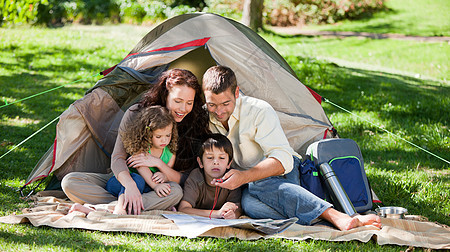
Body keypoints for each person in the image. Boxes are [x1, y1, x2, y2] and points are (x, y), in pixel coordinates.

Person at [201, 65, 381, 231]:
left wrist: (244, 176)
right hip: (249, 184)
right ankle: (317, 214)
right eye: (212, 105)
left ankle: (335, 216)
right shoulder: (205, 119)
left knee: (257, 184)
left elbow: (283, 161)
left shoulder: (259, 110)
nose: (219, 111)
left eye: (225, 104)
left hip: (282, 172)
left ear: (237, 93)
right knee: (249, 206)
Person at [62, 69, 210, 215]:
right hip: (129, 177)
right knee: (70, 182)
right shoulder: (137, 113)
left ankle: (112, 207)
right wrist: (130, 186)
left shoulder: (194, 124)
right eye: (178, 101)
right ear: (165, 95)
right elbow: (118, 158)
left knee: (176, 193)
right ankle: (133, 203)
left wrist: (158, 164)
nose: (183, 109)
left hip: (160, 185)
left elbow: (187, 178)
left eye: (189, 103)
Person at [178, 134, 242, 219]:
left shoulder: (232, 178)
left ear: (229, 163)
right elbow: (183, 209)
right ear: (200, 162)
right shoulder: (196, 177)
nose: (216, 162)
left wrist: (233, 215)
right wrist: (217, 214)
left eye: (222, 158)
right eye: (210, 157)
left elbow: (238, 208)